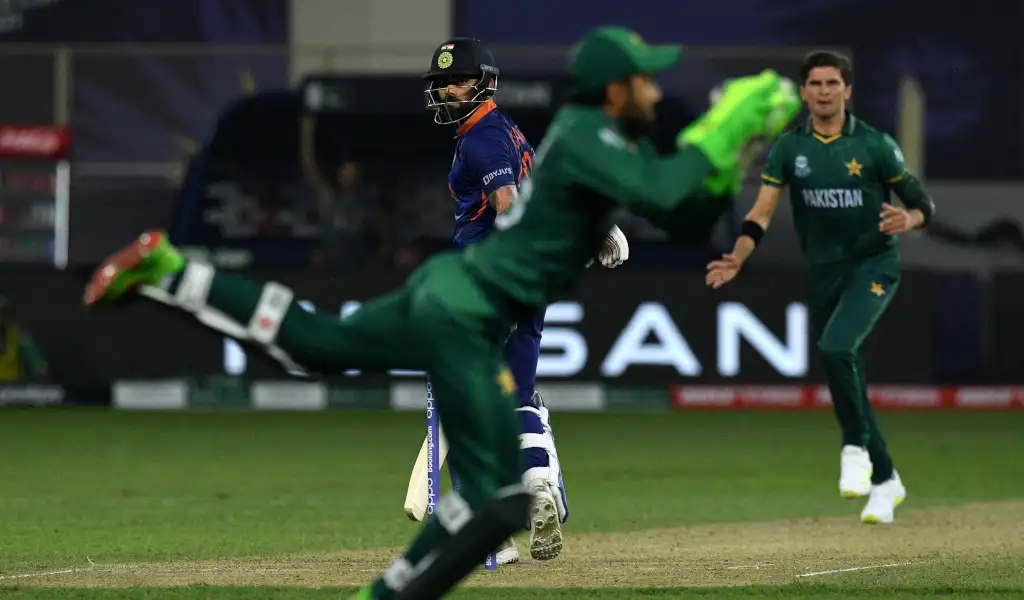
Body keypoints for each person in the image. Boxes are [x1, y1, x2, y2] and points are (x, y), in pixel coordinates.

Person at [83, 26, 800, 600]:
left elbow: (676, 206)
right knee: (493, 495)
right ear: (616, 90)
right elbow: (649, 198)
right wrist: (726, 129)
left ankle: (171, 271)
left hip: (457, 290)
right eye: (644, 80)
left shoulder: (573, 136)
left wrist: (711, 160)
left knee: (319, 345)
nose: (654, 90)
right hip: (474, 311)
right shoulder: (556, 135)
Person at [705, 50, 936, 525]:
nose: (825, 91)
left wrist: (908, 219)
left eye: (833, 83)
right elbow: (761, 213)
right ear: (804, 91)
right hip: (824, 272)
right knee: (846, 372)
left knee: (836, 347)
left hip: (873, 267)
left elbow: (922, 205)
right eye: (816, 84)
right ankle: (886, 480)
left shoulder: (875, 145)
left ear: (847, 90)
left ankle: (854, 450)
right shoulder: (790, 149)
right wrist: (738, 257)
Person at [422, 36, 603, 563]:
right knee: (519, 398)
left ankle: (490, 538)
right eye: (442, 84)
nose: (448, 92)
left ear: (485, 84)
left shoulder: (482, 139)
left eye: (458, 82)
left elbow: (507, 205)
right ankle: (540, 485)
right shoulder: (507, 130)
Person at [0, 295, 49, 383]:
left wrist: (39, 366)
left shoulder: (18, 334)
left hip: (12, 386)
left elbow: (34, 357)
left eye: (2, 313)